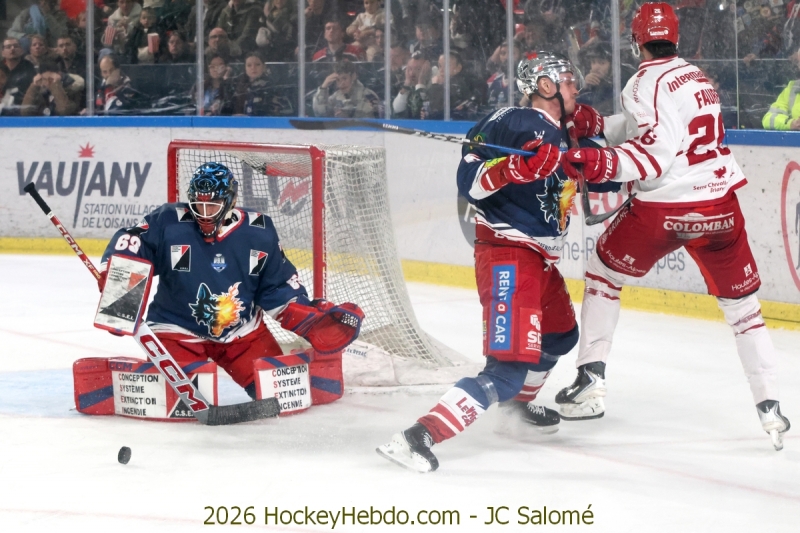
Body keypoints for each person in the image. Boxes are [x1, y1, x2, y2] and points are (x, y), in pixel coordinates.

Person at [558, 2, 791, 451]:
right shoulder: (696, 76)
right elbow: (663, 129)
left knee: (604, 273)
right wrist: (602, 126)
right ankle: (770, 407)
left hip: (666, 210)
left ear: (636, 41)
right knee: (744, 311)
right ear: (675, 38)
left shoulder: (642, 82)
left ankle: (590, 379)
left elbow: (655, 153)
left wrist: (602, 160)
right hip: (721, 207)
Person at [377, 52, 590, 472]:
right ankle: (416, 436)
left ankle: (514, 410)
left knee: (561, 335)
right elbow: (469, 182)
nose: (575, 88)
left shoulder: (565, 133)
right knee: (506, 372)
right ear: (545, 86)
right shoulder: (512, 119)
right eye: (567, 81)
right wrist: (515, 167)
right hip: (509, 255)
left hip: (539, 259)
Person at [97, 162, 364, 403]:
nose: (203, 214)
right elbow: (133, 243)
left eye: (212, 206)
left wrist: (309, 318)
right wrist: (119, 285)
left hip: (243, 334)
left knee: (281, 397)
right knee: (180, 402)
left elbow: (277, 286)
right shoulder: (168, 221)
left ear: (230, 202)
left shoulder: (259, 232)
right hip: (175, 330)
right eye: (197, 205)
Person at [313, 59, 380, 117]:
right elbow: (320, 114)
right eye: (338, 80)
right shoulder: (335, 97)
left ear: (353, 76)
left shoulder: (368, 95)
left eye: (344, 78)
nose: (341, 84)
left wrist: (347, 116)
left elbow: (372, 120)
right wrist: (323, 88)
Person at [1, 38, 37, 111]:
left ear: (21, 50)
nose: (12, 49)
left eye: (16, 46)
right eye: (8, 47)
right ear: (2, 52)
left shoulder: (29, 67)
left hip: (24, 107)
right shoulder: (1, 68)